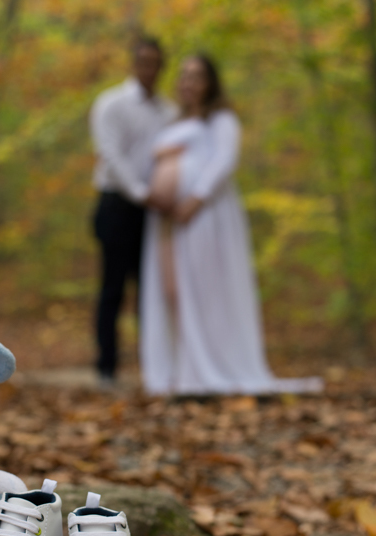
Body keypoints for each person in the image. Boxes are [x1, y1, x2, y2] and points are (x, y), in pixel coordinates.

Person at [140, 55, 324, 396]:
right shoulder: (171, 121)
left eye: (196, 76)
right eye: (183, 75)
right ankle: (180, 368)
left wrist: (195, 198)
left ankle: (210, 367)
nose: (187, 82)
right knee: (174, 292)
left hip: (204, 216)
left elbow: (224, 161)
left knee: (206, 290)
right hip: (167, 222)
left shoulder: (222, 119)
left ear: (211, 82)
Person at [89, 37, 178, 387]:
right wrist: (143, 193)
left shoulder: (168, 112)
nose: (148, 69)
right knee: (112, 287)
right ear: (133, 63)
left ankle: (151, 365)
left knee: (150, 289)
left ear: (161, 66)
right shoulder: (111, 104)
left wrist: (160, 197)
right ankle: (106, 367)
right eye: (142, 61)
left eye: (155, 62)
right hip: (117, 205)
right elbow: (111, 156)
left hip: (154, 212)